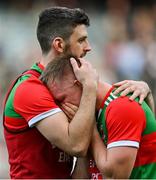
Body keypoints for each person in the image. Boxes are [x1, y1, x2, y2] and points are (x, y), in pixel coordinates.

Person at [3, 7, 153, 179]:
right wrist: (89, 89)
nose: (88, 48)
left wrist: (144, 93)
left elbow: (140, 130)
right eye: (81, 40)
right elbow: (77, 146)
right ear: (59, 44)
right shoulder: (30, 89)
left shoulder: (69, 87)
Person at [40, 55, 156, 179]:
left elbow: (114, 176)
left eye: (62, 99)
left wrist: (91, 130)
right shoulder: (93, 114)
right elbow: (81, 178)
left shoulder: (122, 106)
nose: (62, 108)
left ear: (80, 84)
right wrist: (84, 133)